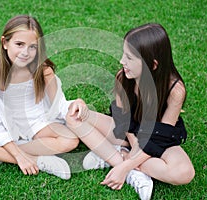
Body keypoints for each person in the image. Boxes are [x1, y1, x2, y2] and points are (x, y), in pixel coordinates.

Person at [66, 23, 195, 199]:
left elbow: (159, 137)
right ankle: (125, 162)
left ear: (153, 65)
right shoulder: (123, 78)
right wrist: (134, 147)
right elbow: (124, 121)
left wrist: (128, 164)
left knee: (184, 173)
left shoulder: (175, 90)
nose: (121, 61)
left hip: (157, 140)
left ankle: (117, 159)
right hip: (127, 132)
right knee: (74, 118)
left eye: (129, 57)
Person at [0, 15, 88, 180]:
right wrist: (19, 157)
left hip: (36, 122)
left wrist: (74, 104)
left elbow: (58, 105)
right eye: (19, 44)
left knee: (70, 139)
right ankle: (38, 160)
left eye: (32, 47)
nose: (25, 53)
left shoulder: (43, 70)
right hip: (5, 123)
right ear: (5, 43)